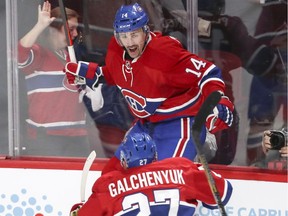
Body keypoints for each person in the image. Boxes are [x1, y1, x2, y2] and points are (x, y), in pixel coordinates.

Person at [64, 3, 234, 167]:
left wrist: (216, 103)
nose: (129, 42)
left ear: (146, 31)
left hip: (179, 124)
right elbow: (116, 74)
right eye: (124, 36)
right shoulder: (116, 49)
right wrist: (90, 73)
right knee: (115, 174)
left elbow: (208, 73)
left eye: (134, 34)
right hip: (145, 125)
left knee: (166, 178)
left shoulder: (164, 52)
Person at [70, 132, 233, 216]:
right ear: (155, 155)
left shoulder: (108, 185)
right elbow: (224, 192)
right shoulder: (180, 168)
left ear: (124, 160)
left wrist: (78, 210)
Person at [17, 1, 94, 157]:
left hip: (77, 136)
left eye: (76, 29)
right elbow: (20, 54)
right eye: (70, 29)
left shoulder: (70, 57)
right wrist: (40, 25)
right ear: (52, 29)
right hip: (47, 138)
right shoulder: (39, 53)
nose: (75, 34)